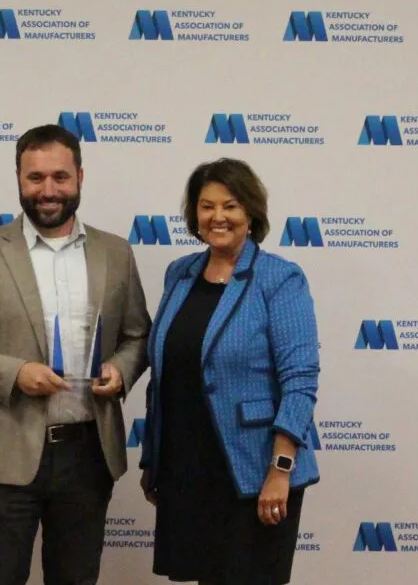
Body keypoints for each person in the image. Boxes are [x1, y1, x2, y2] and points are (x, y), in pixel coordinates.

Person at [0, 124, 151, 585]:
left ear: (80, 176)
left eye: (60, 177)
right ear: (18, 177)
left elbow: (139, 336)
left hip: (89, 455)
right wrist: (14, 373)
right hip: (5, 455)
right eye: (35, 178)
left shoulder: (116, 252)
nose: (48, 190)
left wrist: (120, 371)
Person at [140, 158, 320, 585]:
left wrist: (280, 468)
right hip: (188, 466)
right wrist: (155, 458)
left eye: (231, 206)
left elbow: (300, 380)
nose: (217, 216)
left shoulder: (279, 278)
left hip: (254, 471)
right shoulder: (179, 273)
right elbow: (168, 371)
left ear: (251, 213)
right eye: (206, 206)